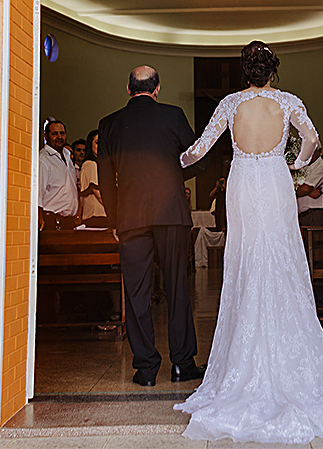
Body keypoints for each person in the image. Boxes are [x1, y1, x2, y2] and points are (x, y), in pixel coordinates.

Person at [174, 41, 323, 444]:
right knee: (280, 256)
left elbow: (200, 149)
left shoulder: (231, 103)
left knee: (247, 259)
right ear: (272, 71)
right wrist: (295, 164)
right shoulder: (287, 102)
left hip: (244, 183)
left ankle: (241, 360)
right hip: (275, 181)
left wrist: (176, 161)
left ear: (244, 71)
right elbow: (313, 140)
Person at [97, 66, 208, 387]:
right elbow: (198, 159)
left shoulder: (109, 124)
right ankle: (182, 364)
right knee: (176, 287)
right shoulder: (173, 116)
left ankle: (146, 369)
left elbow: (105, 178)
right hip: (171, 211)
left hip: (130, 216)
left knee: (136, 293)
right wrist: (172, 177)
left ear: (128, 88)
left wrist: (114, 218)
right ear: (156, 89)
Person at [38, 118, 78, 231]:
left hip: (69, 221)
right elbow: (38, 193)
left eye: (62, 133)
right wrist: (39, 217)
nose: (59, 137)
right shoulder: (43, 159)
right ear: (46, 136)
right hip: (52, 221)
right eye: (54, 134)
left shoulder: (68, 155)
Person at [296, 145, 323, 226]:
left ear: (320, 151)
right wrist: (308, 193)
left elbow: (305, 189)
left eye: (312, 150)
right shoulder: (304, 168)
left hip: (317, 214)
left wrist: (305, 191)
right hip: (305, 215)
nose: (309, 154)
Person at [78, 129, 108, 229]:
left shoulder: (103, 165)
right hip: (96, 217)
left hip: (104, 216)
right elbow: (98, 193)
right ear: (90, 145)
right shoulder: (90, 164)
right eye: (97, 143)